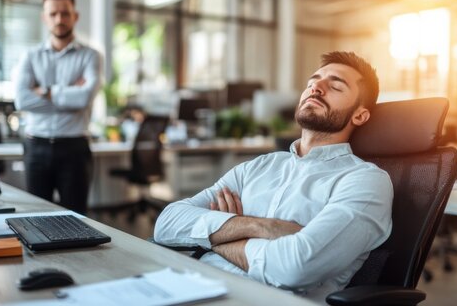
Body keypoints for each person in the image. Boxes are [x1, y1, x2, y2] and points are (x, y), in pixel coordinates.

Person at [154, 51, 393, 301]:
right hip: (194, 286)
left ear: (359, 115)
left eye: (335, 86)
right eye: (312, 82)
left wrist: (214, 236)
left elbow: (296, 267)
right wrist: (262, 226)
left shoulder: (365, 181)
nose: (316, 88)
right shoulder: (259, 166)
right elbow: (167, 224)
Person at [13, 0, 100, 214]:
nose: (59, 19)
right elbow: (22, 100)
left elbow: (85, 97)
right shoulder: (30, 56)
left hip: (74, 149)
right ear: (44, 17)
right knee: (35, 216)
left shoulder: (90, 56)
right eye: (53, 14)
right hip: (36, 147)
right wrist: (68, 93)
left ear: (75, 16)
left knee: (77, 219)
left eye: (65, 13)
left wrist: (45, 91)